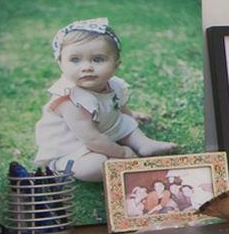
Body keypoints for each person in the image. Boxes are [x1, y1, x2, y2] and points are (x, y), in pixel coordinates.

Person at [32, 17, 173, 182]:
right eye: (75, 60)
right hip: (72, 148)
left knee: (126, 122)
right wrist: (123, 153)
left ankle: (144, 144)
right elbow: (91, 139)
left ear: (116, 65)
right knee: (94, 166)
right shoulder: (70, 99)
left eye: (97, 59)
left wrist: (131, 115)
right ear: (61, 63)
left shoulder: (114, 85)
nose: (86, 67)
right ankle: (62, 166)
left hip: (102, 132)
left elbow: (118, 106)